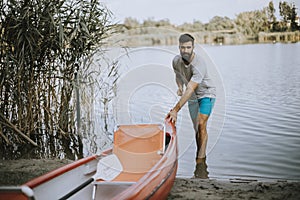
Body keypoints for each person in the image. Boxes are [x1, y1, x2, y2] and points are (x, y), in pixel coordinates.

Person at [166, 33, 216, 164]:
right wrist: (179, 87)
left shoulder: (199, 64)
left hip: (206, 94)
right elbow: (178, 75)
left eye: (188, 47)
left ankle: (200, 160)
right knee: (196, 128)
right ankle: (199, 154)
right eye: (183, 47)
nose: (185, 50)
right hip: (192, 98)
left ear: (193, 47)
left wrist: (175, 110)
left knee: (201, 124)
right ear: (179, 47)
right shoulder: (176, 61)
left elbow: (191, 88)